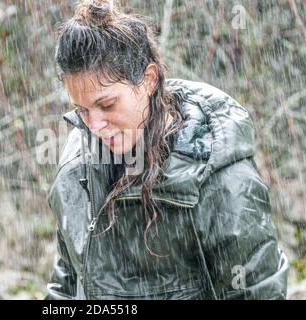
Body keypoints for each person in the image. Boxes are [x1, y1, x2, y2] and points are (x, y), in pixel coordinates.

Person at [45, 0, 289, 300]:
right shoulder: (77, 168)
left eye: (107, 105)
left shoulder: (218, 172)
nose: (94, 125)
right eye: (81, 110)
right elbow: (66, 287)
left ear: (148, 80)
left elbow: (256, 291)